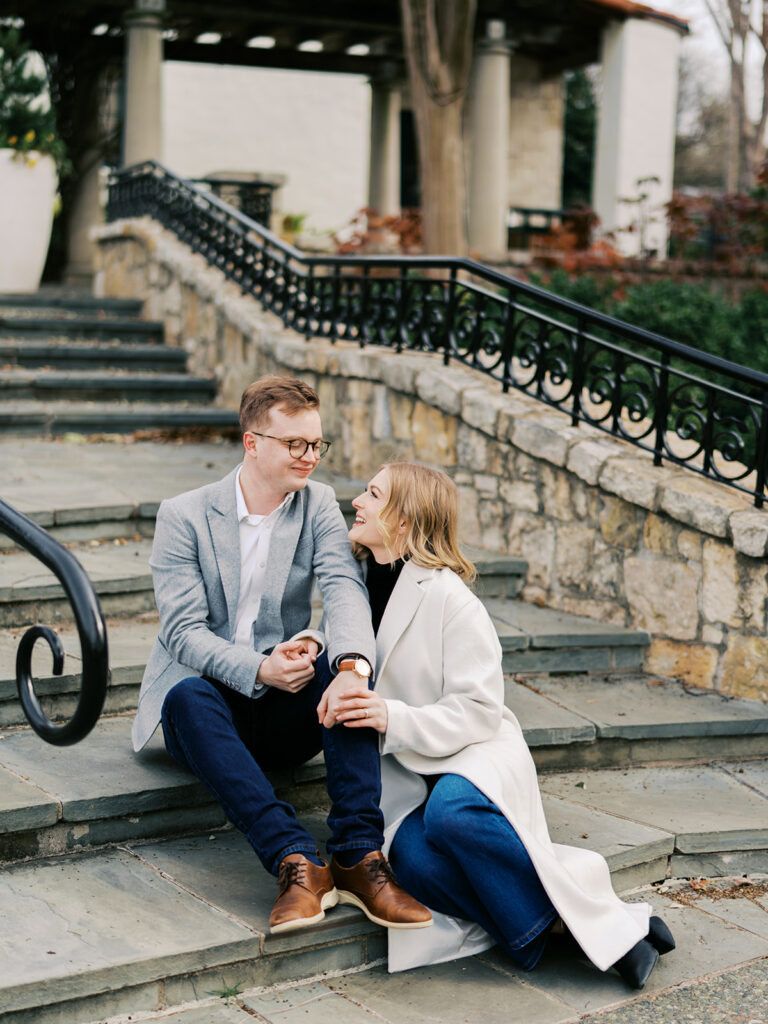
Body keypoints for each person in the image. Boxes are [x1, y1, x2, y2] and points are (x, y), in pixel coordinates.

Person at [329, 461, 675, 986]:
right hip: (402, 776)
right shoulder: (354, 582)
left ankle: (599, 932)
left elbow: (478, 708)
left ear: (403, 520)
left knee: (451, 816)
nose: (358, 501)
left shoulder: (450, 598)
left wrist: (390, 716)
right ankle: (561, 927)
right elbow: (347, 642)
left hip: (472, 750)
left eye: (373, 495)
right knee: (416, 865)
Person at [131, 377, 431, 935]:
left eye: (317, 444)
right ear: (252, 443)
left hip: (284, 706)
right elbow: (182, 632)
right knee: (187, 695)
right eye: (296, 444)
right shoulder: (184, 515)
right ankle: (295, 861)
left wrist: (348, 667)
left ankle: (360, 856)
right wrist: (257, 667)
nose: (310, 457)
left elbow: (344, 588)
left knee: (345, 677)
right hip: (205, 712)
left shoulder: (316, 505)